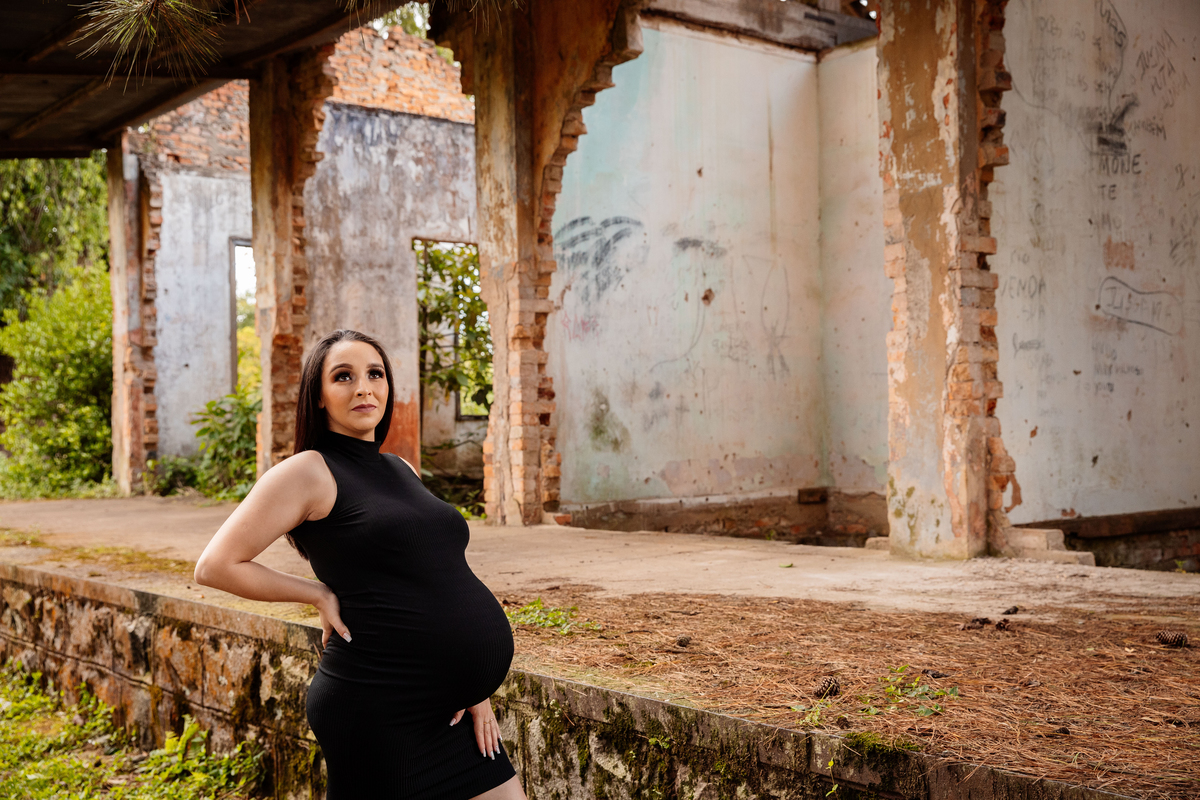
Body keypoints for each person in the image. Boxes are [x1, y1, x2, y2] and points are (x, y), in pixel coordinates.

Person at [195, 329, 524, 800]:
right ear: (319, 396)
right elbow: (216, 565)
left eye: (375, 374)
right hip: (378, 705)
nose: (364, 388)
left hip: (447, 708)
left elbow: (431, 573)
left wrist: (474, 687)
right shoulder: (308, 471)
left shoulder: (401, 469)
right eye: (343, 377)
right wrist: (316, 593)